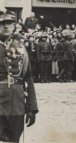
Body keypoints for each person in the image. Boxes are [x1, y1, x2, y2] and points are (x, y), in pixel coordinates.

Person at [0, 9, 38, 142]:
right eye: (2, 23)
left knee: (14, 139)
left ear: (14, 26)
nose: (5, 26)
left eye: (9, 23)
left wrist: (32, 108)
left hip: (17, 103)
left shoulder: (21, 48)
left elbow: (29, 78)